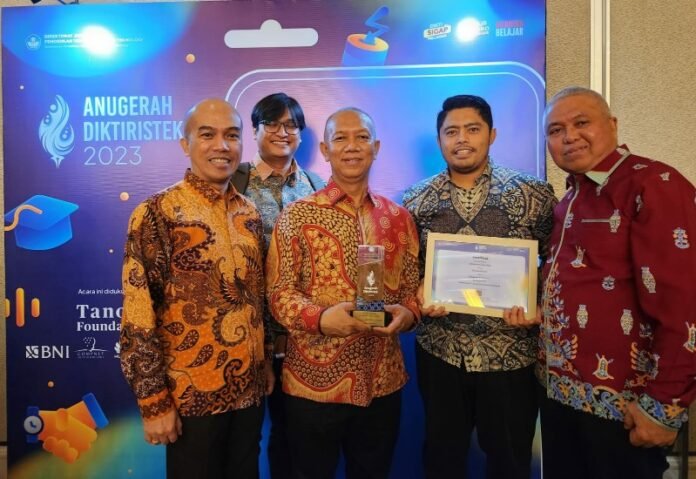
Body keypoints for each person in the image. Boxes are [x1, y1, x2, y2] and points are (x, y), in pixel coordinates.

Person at [505, 86, 696, 478]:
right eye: (556, 130)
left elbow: (685, 304)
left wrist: (664, 406)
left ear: (612, 125)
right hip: (559, 397)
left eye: (581, 123)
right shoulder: (570, 198)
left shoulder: (653, 183)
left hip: (623, 408)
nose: (569, 137)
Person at [403, 94, 557, 479]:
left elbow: (555, 263)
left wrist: (538, 306)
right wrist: (419, 295)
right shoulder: (415, 200)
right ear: (439, 139)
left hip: (511, 354)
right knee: (442, 457)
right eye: (451, 131)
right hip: (441, 351)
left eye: (472, 129)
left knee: (509, 459)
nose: (462, 139)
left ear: (492, 134)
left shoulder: (533, 194)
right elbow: (407, 270)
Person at [119, 98, 272, 479]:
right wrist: (154, 401)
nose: (222, 145)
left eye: (232, 135)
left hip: (250, 395)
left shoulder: (249, 214)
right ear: (185, 144)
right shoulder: (157, 213)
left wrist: (266, 361)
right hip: (191, 398)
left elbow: (257, 300)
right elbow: (138, 313)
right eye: (207, 135)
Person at [265, 107, 420, 479]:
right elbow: (278, 294)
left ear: (376, 148)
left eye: (362, 137)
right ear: (325, 149)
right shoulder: (297, 216)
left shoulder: (398, 218)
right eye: (341, 138)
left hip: (382, 381)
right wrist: (320, 319)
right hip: (313, 386)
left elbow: (413, 291)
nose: (352, 146)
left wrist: (409, 314)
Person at [235, 92, 325, 479]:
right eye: (271, 123)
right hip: (250, 336)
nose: (282, 132)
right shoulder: (234, 183)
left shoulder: (318, 187)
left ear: (301, 134)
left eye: (291, 125)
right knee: (245, 438)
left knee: (300, 437)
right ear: (254, 130)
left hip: (304, 338)